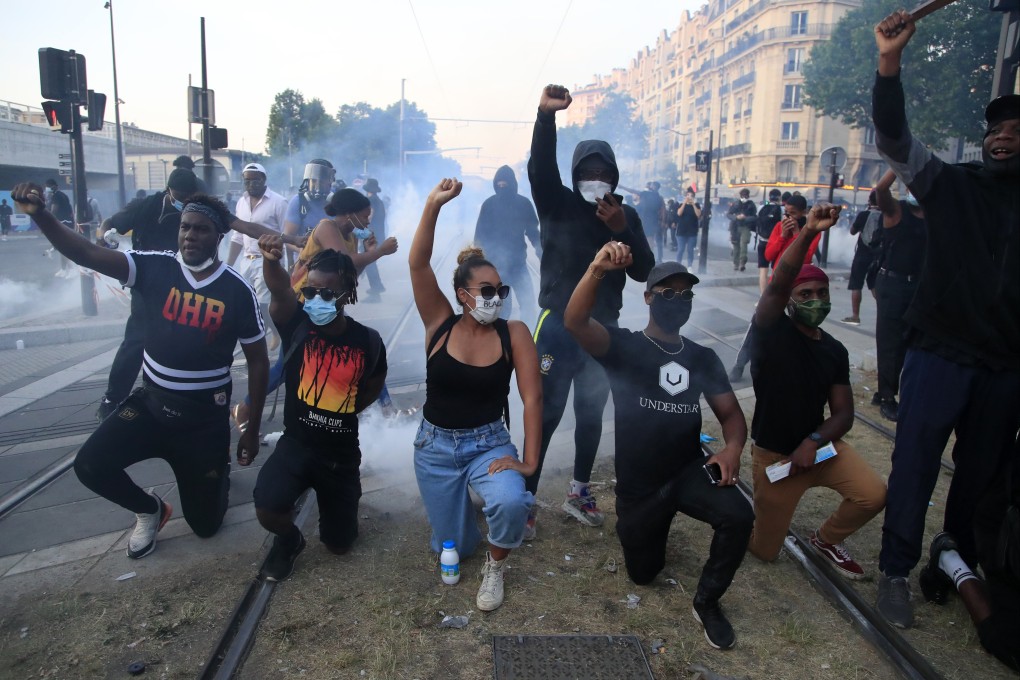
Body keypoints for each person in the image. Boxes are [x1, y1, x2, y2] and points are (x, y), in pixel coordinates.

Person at [11, 182, 269, 559]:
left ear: (218, 235)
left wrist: (253, 429)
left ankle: (216, 474)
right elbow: (85, 251)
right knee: (89, 465)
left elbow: (259, 361)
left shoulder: (236, 290)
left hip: (203, 421)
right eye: (185, 227)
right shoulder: (153, 266)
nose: (190, 236)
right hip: (151, 405)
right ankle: (150, 510)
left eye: (201, 229)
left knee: (206, 526)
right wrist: (41, 215)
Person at [871, 10, 1020, 629]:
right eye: (996, 129)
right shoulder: (951, 185)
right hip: (937, 352)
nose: (1002, 135)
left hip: (1006, 365)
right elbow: (894, 139)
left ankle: (951, 562)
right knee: (915, 463)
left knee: (980, 474)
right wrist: (889, 63)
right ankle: (896, 572)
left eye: (1014, 128)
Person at [565, 250, 754, 650]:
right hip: (640, 486)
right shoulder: (624, 347)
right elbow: (575, 321)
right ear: (649, 296)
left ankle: (707, 602)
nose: (677, 302)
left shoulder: (702, 357)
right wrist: (596, 268)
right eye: (668, 293)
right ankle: (653, 518)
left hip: (688, 470)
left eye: (685, 296)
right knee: (643, 574)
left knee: (739, 514)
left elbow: (732, 417)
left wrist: (733, 448)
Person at [526, 84, 654, 534]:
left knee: (591, 410)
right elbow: (540, 169)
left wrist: (623, 229)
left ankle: (579, 490)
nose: (596, 177)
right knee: (546, 411)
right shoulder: (557, 201)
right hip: (558, 325)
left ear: (614, 176)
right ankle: (525, 498)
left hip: (605, 328)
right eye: (588, 170)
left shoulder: (625, 214)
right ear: (576, 173)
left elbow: (646, 273)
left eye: (603, 170)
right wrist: (546, 116)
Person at [408, 178, 541, 612]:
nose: (496, 299)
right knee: (453, 547)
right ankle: (466, 517)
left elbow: (532, 398)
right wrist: (433, 204)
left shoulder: (514, 332)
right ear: (463, 295)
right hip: (435, 446)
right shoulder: (439, 324)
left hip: (488, 443)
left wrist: (529, 461)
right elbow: (418, 264)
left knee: (509, 499)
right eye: (487, 292)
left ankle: (497, 563)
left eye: (500, 291)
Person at [746, 201, 887, 579]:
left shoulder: (834, 350)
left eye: (821, 293)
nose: (814, 300)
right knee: (764, 551)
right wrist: (809, 231)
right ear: (789, 300)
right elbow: (777, 284)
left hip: (819, 449)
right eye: (804, 293)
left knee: (873, 494)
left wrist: (813, 441)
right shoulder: (771, 331)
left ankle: (825, 540)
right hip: (776, 458)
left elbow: (842, 414)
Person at [95, 169, 293, 421]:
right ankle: (112, 399)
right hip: (152, 281)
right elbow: (109, 224)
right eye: (184, 225)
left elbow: (246, 227)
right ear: (169, 192)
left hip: (190, 282)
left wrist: (291, 239)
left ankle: (183, 395)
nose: (189, 231)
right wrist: (103, 236)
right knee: (136, 340)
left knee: (188, 338)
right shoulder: (147, 205)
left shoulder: (201, 208)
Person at [252, 239, 387, 581]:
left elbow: (373, 384)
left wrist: (345, 408)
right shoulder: (296, 324)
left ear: (348, 295)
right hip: (296, 445)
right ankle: (289, 540)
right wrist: (271, 261)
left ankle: (336, 514)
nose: (315, 301)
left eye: (326, 294)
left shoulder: (367, 341)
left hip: (340, 456)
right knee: (268, 507)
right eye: (309, 292)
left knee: (339, 545)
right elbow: (280, 291)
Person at [231, 189, 398, 432]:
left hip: (327, 303)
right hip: (303, 302)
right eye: (364, 216)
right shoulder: (326, 227)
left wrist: (367, 252)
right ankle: (245, 407)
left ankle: (386, 409)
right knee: (287, 363)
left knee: (357, 350)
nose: (368, 221)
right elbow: (346, 261)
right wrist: (378, 252)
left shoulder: (349, 237)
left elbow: (349, 277)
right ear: (349, 214)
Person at [871, 170, 926, 422]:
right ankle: (886, 397)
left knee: (909, 341)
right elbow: (881, 190)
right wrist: (898, 164)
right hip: (892, 283)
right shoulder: (896, 210)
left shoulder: (932, 214)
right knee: (889, 341)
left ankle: (891, 388)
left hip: (917, 286)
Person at [226, 163, 289, 349]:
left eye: (255, 180)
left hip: (268, 260)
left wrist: (291, 263)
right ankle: (257, 338)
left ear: (264, 180)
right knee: (246, 302)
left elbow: (287, 235)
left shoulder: (278, 202)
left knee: (263, 303)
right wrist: (229, 266)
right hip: (247, 261)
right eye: (247, 180)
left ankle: (276, 334)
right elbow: (237, 237)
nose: (251, 184)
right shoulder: (241, 202)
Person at [472, 165, 542, 322]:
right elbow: (479, 237)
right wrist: (477, 264)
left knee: (528, 303)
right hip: (496, 268)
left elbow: (534, 233)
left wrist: (542, 254)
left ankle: (529, 336)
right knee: (503, 307)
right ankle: (501, 340)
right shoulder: (488, 205)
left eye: (506, 184)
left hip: (519, 265)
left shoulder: (524, 204)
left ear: (513, 184)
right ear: (495, 184)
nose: (502, 187)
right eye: (499, 184)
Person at [841, 191, 880, 326]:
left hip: (862, 256)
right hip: (878, 257)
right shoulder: (886, 216)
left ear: (869, 201)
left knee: (856, 285)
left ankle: (855, 316)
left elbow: (852, 231)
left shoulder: (864, 215)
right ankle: (882, 313)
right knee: (875, 285)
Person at [283, 159, 334, 241]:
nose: (316, 186)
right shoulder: (298, 202)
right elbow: (288, 237)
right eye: (313, 181)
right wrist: (303, 250)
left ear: (330, 181)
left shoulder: (338, 202)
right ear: (307, 181)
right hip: (305, 252)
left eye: (321, 182)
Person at [361, 178, 388, 302]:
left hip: (371, 236)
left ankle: (376, 288)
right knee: (370, 262)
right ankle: (376, 290)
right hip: (378, 234)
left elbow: (369, 217)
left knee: (369, 262)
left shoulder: (371, 201)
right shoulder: (379, 201)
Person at [43, 178, 75, 277]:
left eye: (48, 186)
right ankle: (65, 269)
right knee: (63, 248)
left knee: (63, 248)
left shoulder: (56, 196)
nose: (47, 188)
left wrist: (47, 222)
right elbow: (70, 210)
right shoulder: (63, 195)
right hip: (68, 223)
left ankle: (69, 270)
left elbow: (53, 211)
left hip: (62, 223)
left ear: (54, 186)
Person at [754, 189, 784, 294]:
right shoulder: (781, 209)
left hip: (762, 242)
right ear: (779, 197)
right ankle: (774, 296)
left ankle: (763, 297)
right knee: (776, 269)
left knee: (763, 270)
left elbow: (757, 221)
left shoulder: (761, 207)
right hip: (776, 243)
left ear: (769, 197)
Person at [726, 188, 757, 271]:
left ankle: (742, 262)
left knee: (744, 244)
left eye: (746, 195)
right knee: (736, 245)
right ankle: (736, 263)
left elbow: (754, 217)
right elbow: (729, 214)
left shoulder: (751, 205)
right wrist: (736, 217)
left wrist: (745, 218)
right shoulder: (735, 204)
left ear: (748, 196)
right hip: (735, 227)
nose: (744, 197)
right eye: (743, 195)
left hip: (745, 227)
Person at [637, 181, 666, 262]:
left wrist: (663, 221)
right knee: (650, 240)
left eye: (651, 185)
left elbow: (663, 210)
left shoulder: (656, 197)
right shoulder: (648, 196)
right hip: (651, 222)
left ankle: (656, 258)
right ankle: (652, 257)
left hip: (654, 222)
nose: (650, 186)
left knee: (655, 241)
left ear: (655, 187)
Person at [675, 189, 701, 268]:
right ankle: (678, 265)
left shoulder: (697, 205)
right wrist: (684, 203)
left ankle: (689, 266)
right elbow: (679, 213)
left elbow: (698, 215)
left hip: (692, 231)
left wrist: (693, 204)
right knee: (681, 249)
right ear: (685, 196)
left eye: (691, 196)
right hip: (681, 231)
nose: (689, 197)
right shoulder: (681, 205)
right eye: (688, 195)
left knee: (690, 250)